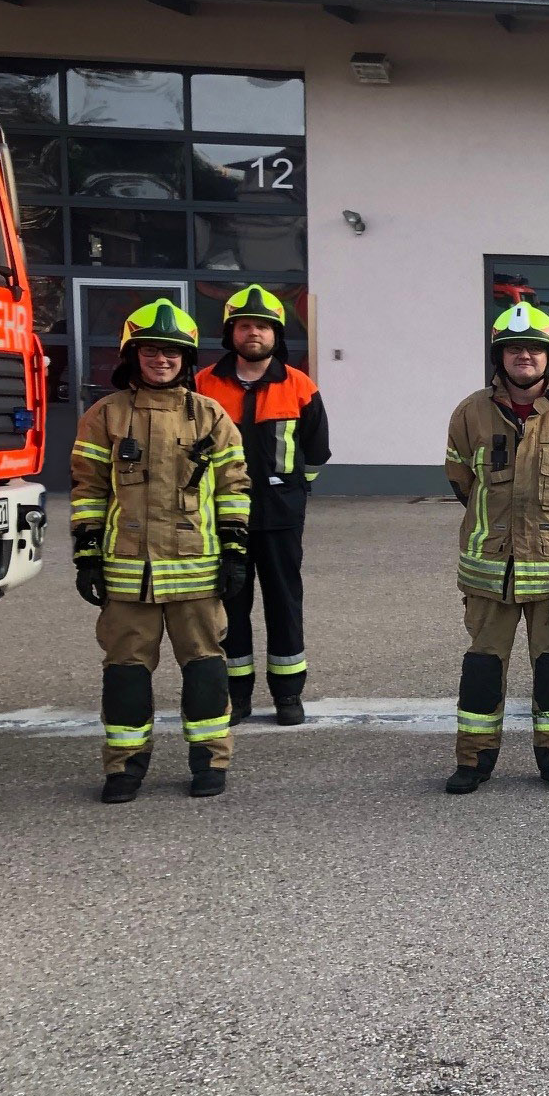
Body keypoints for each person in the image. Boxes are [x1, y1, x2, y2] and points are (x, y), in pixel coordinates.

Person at [68, 299, 250, 803]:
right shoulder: (105, 416)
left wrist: (235, 550)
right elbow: (88, 488)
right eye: (150, 351)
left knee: (205, 668)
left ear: (186, 359)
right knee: (125, 673)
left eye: (171, 352)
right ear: (133, 355)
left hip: (195, 570)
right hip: (128, 572)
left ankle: (210, 761)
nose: (161, 360)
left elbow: (235, 487)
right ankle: (124, 767)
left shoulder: (210, 415)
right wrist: (87, 553)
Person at [442, 303, 549, 794]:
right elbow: (460, 478)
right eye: (514, 348)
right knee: (482, 668)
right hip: (488, 571)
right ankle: (473, 761)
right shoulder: (470, 412)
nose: (524, 356)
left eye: (534, 349)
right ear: (499, 356)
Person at [196, 284, 331, 727]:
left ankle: (288, 694)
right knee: (229, 605)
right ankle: (237, 695)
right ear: (230, 332)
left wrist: (293, 492)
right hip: (220, 516)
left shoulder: (300, 386)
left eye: (262, 326)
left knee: (284, 602)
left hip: (279, 517)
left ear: (276, 334)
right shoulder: (202, 385)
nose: (253, 333)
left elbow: (316, 452)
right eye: (244, 326)